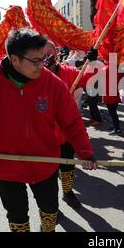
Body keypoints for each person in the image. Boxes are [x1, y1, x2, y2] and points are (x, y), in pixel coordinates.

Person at [0, 29, 98, 232]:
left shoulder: (51, 83)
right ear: (14, 59)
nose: (42, 66)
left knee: (50, 212)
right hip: (5, 165)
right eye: (35, 61)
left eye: (44, 59)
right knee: (17, 217)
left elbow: (72, 122)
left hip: (45, 163)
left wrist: (86, 153)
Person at [43, 40, 97, 209]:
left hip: (66, 132)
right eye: (42, 53)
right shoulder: (33, 76)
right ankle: (50, 205)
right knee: (47, 174)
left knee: (67, 166)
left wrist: (92, 62)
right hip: (44, 134)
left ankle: (68, 192)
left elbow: (88, 79)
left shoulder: (68, 71)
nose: (46, 57)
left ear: (56, 53)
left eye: (50, 52)